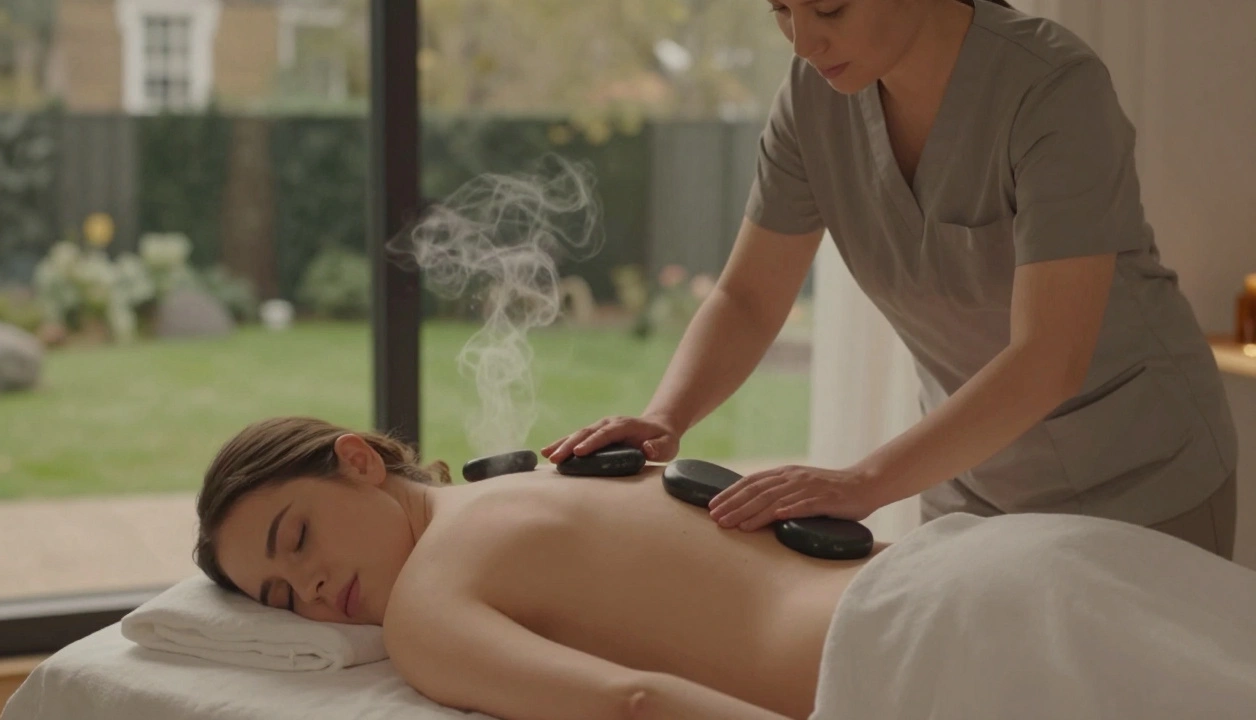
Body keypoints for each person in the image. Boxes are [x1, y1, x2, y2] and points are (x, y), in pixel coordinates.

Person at [544, 0, 1238, 559]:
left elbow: (1049, 357)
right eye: (781, 10)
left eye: (830, 9)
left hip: (1141, 477)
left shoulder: (1053, 88)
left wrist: (861, 482)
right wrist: (667, 416)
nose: (803, 42)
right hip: (972, 481)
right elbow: (749, 297)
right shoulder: (812, 102)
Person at [195, 417, 1256, 720]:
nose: (316, 593)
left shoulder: (428, 606)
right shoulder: (559, 464)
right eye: (278, 597)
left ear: (354, 462)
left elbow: (632, 703)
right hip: (1003, 560)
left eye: (297, 541)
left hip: (916, 654)